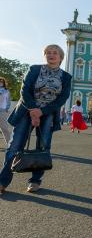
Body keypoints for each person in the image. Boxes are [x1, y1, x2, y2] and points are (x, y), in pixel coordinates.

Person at [0, 44, 72, 194]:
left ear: (60, 57)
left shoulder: (65, 77)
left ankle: (35, 181)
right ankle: (3, 181)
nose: (51, 55)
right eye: (48, 53)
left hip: (48, 114)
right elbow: (24, 90)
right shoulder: (34, 69)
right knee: (14, 146)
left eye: (55, 53)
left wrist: (42, 111)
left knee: (43, 148)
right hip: (26, 111)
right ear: (45, 55)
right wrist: (33, 110)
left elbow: (62, 98)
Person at [0, 77, 11, 145]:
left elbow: (8, 101)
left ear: (3, 83)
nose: (0, 83)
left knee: (4, 128)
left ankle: (9, 144)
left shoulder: (7, 91)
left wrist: (7, 108)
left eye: (1, 82)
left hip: (2, 111)